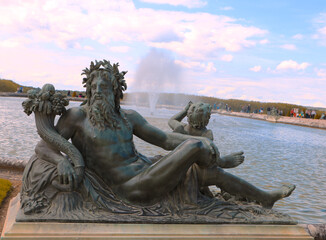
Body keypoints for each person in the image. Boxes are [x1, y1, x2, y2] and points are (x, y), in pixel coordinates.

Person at [25, 60, 295, 213]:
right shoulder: (76, 117)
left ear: (116, 91)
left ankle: (264, 197)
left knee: (204, 173)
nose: (97, 91)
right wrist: (62, 160)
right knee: (194, 146)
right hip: (132, 188)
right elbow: (43, 146)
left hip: (149, 171)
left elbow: (165, 141)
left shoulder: (129, 117)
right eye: (94, 87)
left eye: (104, 87)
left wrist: (201, 145)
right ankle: (221, 161)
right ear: (88, 89)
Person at [168, 101, 244, 169]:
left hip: (175, 163)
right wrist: (223, 161)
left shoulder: (181, 127)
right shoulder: (207, 134)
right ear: (207, 118)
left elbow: (172, 120)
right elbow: (210, 156)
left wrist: (184, 111)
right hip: (194, 166)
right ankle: (224, 162)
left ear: (188, 115)